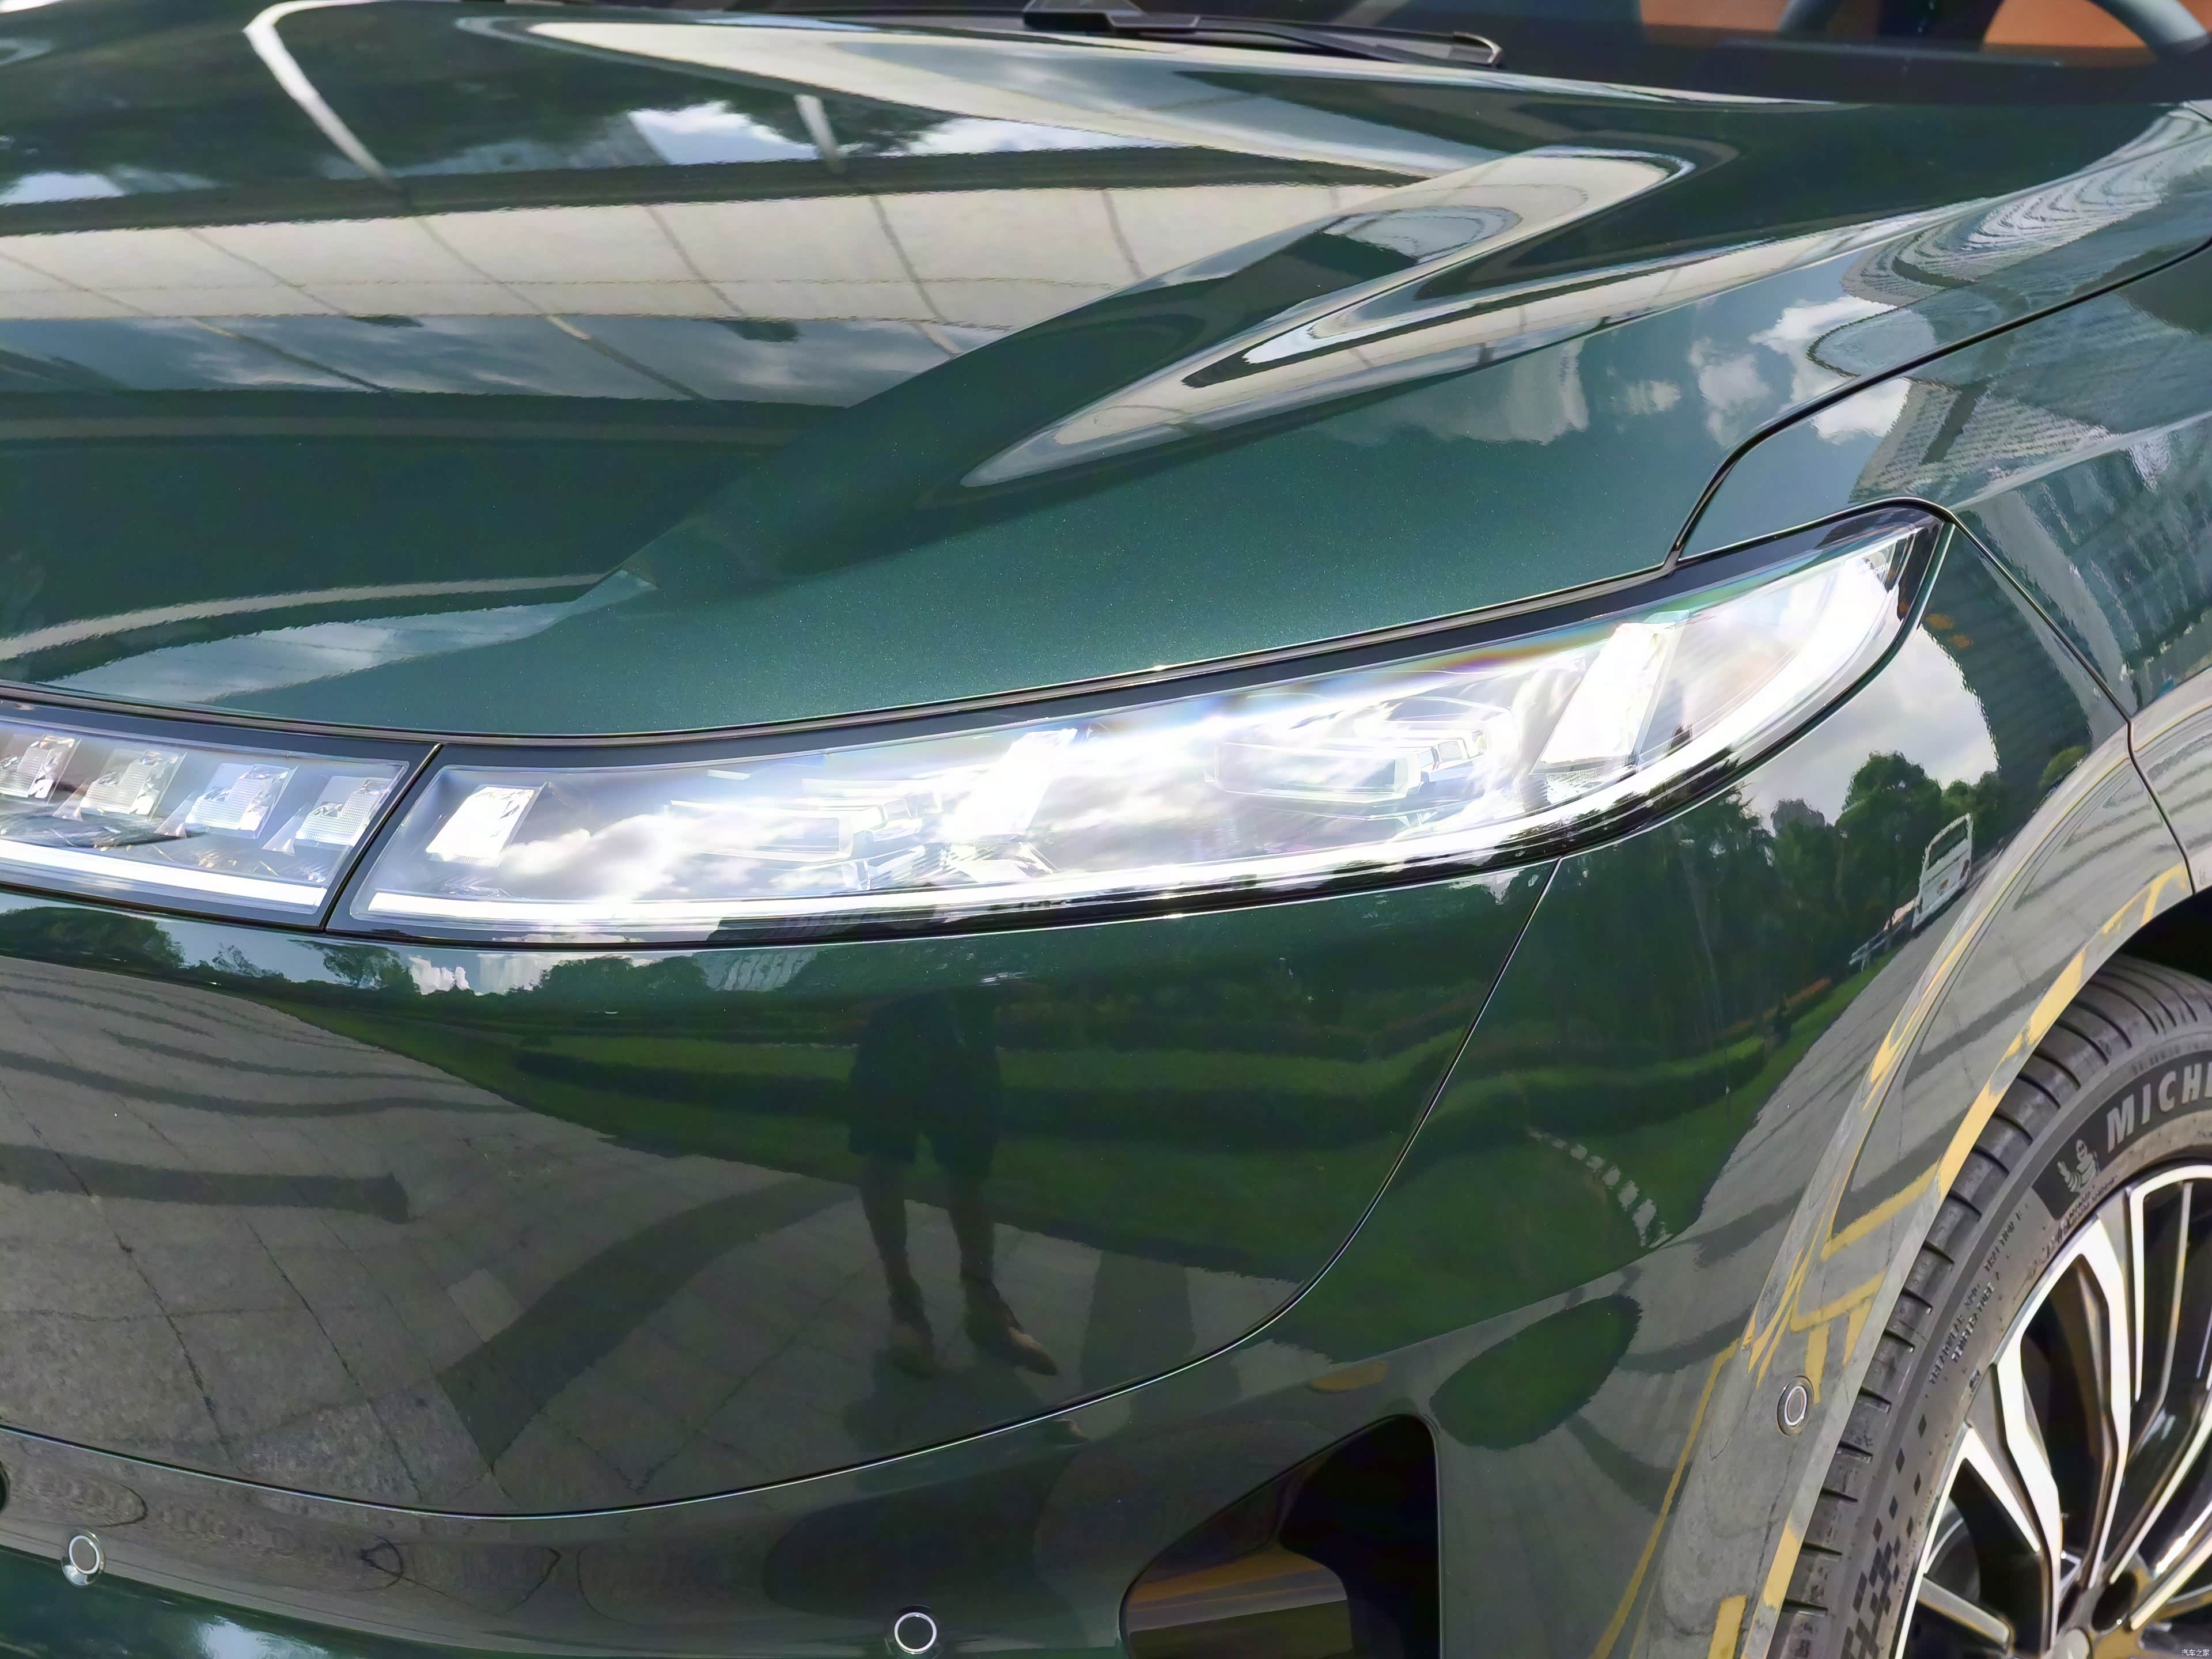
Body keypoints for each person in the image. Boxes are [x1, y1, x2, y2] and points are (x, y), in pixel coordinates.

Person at [847, 989, 1056, 1377]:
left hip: (967, 1020)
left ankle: (983, 1306)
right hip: (894, 1023)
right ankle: (905, 1304)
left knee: (969, 1173)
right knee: (884, 1161)